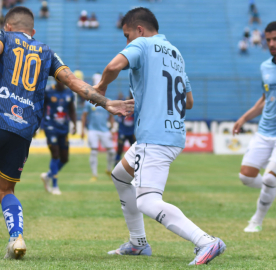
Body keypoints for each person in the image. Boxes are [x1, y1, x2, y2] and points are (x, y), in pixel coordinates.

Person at [0, 6, 134, 259]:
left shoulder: (2, 36)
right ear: (33, 30)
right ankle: (16, 239)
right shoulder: (47, 52)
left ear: (8, 26)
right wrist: (106, 103)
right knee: (5, 189)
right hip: (25, 128)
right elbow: (73, 82)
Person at [94, 7, 225, 265]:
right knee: (121, 175)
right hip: (173, 132)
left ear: (139, 30)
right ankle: (138, 243)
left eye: (127, 35)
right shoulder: (176, 53)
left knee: (147, 201)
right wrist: (148, 97)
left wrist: (100, 89)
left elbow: (113, 66)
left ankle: (206, 241)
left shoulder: (142, 44)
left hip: (154, 135)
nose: (127, 41)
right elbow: (189, 101)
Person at [233, 21, 276, 233]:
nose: (271, 43)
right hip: (264, 130)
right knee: (246, 176)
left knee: (269, 177)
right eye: (268, 39)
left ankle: (256, 221)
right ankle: (272, 189)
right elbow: (265, 98)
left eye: (275, 39)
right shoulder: (265, 67)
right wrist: (243, 118)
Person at [40, 81, 77, 195]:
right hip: (50, 126)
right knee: (55, 154)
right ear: (56, 80)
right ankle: (55, 186)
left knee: (65, 158)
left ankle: (48, 175)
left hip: (63, 128)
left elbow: (71, 110)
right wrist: (40, 124)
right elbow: (41, 107)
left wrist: (74, 124)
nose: (61, 82)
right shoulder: (48, 91)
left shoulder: (68, 93)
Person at [81, 101, 115, 182]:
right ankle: (94, 175)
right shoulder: (89, 103)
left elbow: (111, 116)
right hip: (93, 130)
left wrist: (113, 128)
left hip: (105, 130)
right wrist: (82, 130)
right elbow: (84, 116)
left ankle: (108, 169)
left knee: (112, 152)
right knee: (94, 151)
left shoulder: (108, 101)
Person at [114, 92, 136, 166]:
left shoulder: (136, 105)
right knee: (120, 148)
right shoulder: (124, 104)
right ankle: (116, 161)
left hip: (132, 131)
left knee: (134, 148)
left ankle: (135, 162)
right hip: (123, 130)